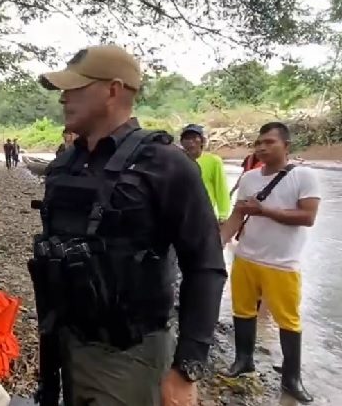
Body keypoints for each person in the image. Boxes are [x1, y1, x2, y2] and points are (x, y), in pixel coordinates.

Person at [34, 44, 227, 406]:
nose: (63, 98)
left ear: (113, 90)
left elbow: (205, 265)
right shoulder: (64, 167)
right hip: (65, 343)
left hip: (130, 353)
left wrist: (187, 368)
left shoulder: (167, 165)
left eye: (75, 87)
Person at [220, 122, 320, 404]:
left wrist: (264, 210)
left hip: (282, 263)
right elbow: (238, 216)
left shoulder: (304, 176)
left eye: (269, 142)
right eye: (258, 143)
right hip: (247, 257)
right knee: (243, 311)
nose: (261, 147)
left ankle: (292, 379)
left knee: (288, 321)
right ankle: (243, 361)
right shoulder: (250, 178)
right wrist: (219, 244)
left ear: (286, 146)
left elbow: (307, 217)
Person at [180, 124, 231, 223]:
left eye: (195, 138)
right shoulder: (176, 161)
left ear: (202, 141)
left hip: (205, 214)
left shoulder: (213, 161)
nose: (191, 142)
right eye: (187, 138)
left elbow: (221, 188)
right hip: (182, 215)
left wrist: (223, 214)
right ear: (182, 142)